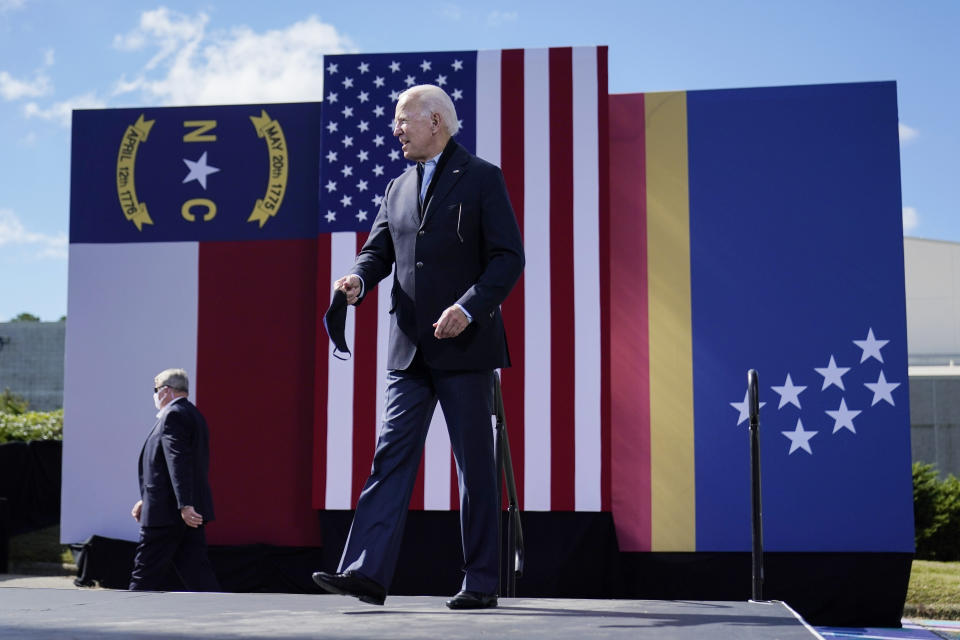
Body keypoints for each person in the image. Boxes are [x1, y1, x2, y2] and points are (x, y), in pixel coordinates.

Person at [313, 84, 525, 610]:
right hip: (409, 350)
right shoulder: (396, 187)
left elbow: (507, 259)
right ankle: (364, 573)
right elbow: (376, 251)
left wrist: (468, 306)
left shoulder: (482, 178)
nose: (396, 130)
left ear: (437, 121)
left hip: (466, 346)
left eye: (404, 120)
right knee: (390, 456)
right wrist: (358, 281)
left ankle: (480, 582)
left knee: (475, 467)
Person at [129, 368, 219, 591]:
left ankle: (126, 615)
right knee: (197, 573)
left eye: (155, 389)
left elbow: (177, 462)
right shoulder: (193, 414)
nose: (154, 394)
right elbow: (168, 467)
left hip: (168, 514)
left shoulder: (173, 415)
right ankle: (218, 612)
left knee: (145, 572)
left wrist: (184, 504)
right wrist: (146, 500)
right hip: (182, 512)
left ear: (166, 391)